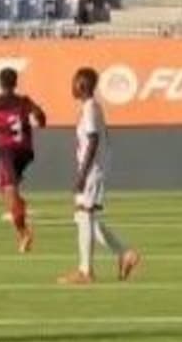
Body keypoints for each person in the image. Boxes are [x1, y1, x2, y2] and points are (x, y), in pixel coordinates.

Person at [59, 68, 141, 285]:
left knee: (84, 214)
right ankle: (125, 254)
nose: (72, 86)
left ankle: (86, 272)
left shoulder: (89, 109)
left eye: (74, 82)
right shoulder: (91, 107)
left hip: (92, 170)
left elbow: (93, 140)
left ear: (81, 85)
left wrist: (83, 174)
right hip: (94, 168)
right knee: (84, 218)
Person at [0, 68, 46, 253]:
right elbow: (41, 116)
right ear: (15, 83)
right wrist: (38, 119)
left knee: (9, 191)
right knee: (0, 184)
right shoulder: (24, 101)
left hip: (7, 151)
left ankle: (23, 232)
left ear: (0, 83)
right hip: (26, 151)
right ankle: (19, 207)